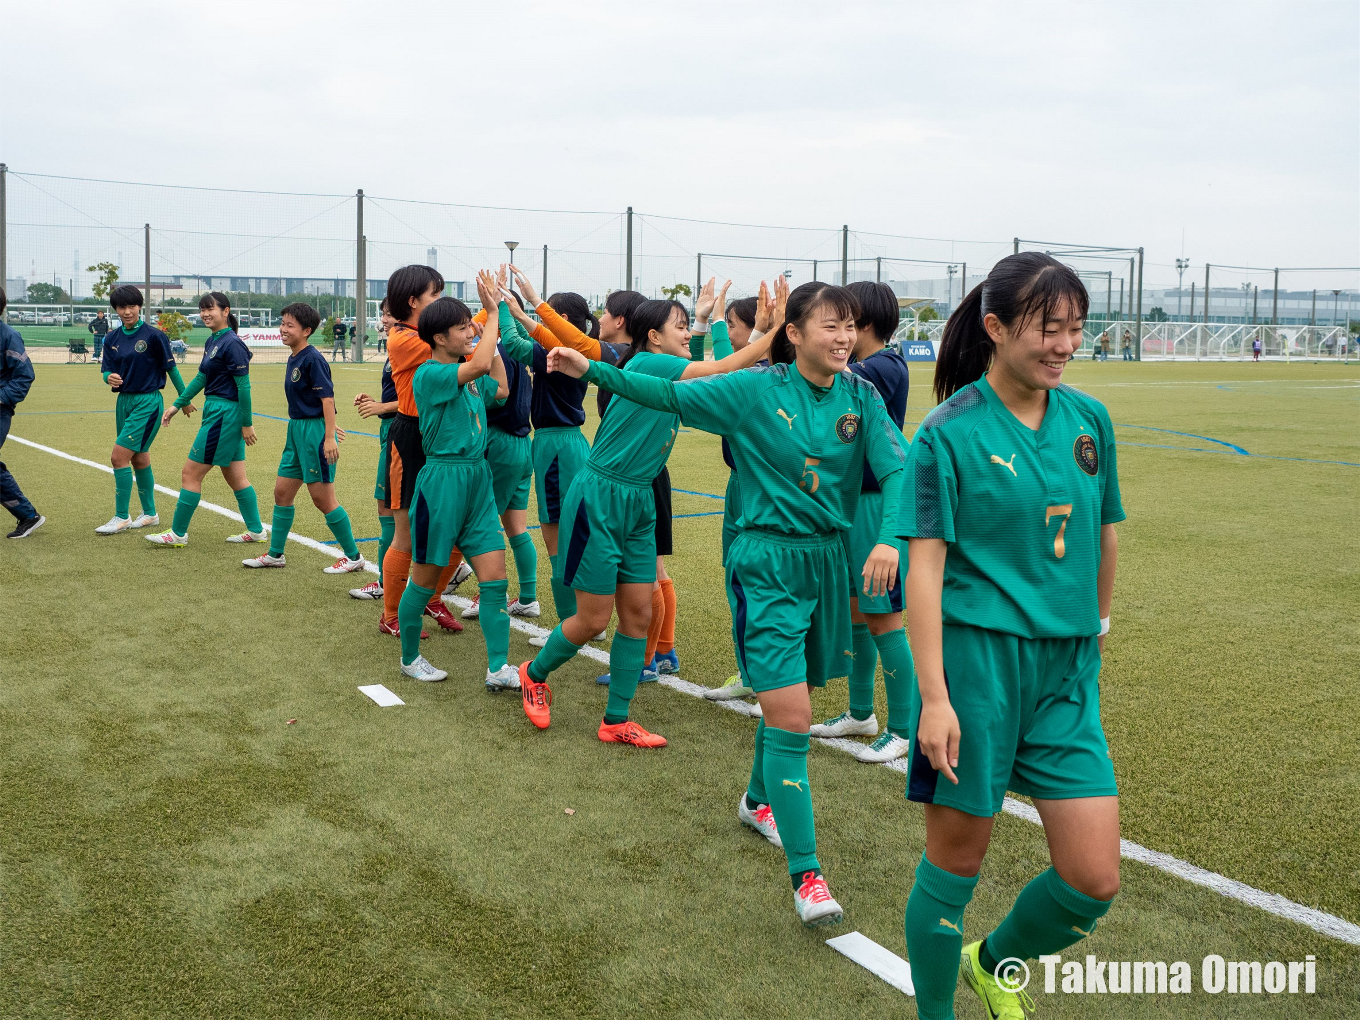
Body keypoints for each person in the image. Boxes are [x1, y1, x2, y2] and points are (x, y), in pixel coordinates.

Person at [546, 280, 904, 929]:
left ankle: (755, 799)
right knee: (791, 715)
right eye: (831, 325)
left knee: (790, 702)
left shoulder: (864, 395)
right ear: (792, 334)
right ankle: (808, 877)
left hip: (827, 561)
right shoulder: (757, 390)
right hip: (764, 563)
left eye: (850, 325)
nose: (845, 336)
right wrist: (589, 366)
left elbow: (901, 469)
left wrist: (888, 537)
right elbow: (666, 392)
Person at [897, 253, 1122, 1020]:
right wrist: (934, 697)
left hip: (1066, 671)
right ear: (994, 328)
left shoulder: (1090, 420)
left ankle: (993, 963)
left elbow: (1106, 531)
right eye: (1047, 329)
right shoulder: (947, 433)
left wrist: (1096, 625)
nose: (1064, 345)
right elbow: (922, 571)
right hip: (976, 670)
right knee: (955, 867)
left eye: (1075, 330)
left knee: (1093, 879)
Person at [515, 295, 776, 748]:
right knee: (593, 619)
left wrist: (732, 327)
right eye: (679, 326)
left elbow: (727, 374)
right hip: (601, 496)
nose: (685, 334)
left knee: (638, 614)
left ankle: (616, 720)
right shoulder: (652, 366)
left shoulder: (666, 371)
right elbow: (720, 368)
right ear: (654, 337)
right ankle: (533, 674)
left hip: (640, 499)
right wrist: (778, 330)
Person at [501, 271, 642, 645]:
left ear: (562, 322)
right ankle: (586, 621)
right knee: (576, 538)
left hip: (556, 448)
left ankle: (570, 627)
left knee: (557, 543)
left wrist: (502, 306)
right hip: (571, 445)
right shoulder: (576, 350)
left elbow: (514, 344)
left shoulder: (559, 352)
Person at [808, 280, 915, 764]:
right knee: (857, 612)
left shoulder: (883, 367)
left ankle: (903, 728)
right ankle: (859, 712)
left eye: (846, 321)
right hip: (852, 505)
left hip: (878, 506)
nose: (841, 332)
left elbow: (835, 375)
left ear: (864, 323)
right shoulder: (863, 368)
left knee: (883, 616)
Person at [394, 274, 518, 689]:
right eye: (463, 326)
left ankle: (498, 667)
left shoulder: (468, 373)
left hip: (477, 480)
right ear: (438, 337)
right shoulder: (429, 375)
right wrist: (496, 313)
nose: (470, 331)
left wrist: (491, 339)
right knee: (425, 580)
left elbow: (499, 385)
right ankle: (410, 657)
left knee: (496, 578)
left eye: (471, 324)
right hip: (441, 482)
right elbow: (480, 365)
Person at [240, 302, 366, 574]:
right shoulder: (294, 356)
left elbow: (327, 398)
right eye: (283, 323)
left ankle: (354, 557)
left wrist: (328, 434)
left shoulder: (312, 358)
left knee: (323, 499)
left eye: (290, 325)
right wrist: (325, 426)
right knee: (282, 493)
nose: (283, 329)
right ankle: (275, 554)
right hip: (297, 430)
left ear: (306, 330)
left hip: (312, 434)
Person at [379, 265, 466, 638]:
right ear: (413, 301)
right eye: (435, 295)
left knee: (459, 531)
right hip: (411, 436)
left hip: (444, 439)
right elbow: (465, 352)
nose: (442, 302)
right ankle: (391, 614)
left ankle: (430, 596)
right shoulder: (403, 338)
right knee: (407, 533)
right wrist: (486, 317)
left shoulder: (426, 333)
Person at [145, 292, 266, 548]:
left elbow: (244, 387)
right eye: (202, 309)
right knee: (236, 477)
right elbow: (202, 377)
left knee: (190, 473)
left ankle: (177, 534)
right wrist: (177, 405)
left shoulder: (232, 343)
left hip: (224, 414)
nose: (205, 313)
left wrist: (247, 423)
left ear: (226, 311)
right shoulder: (215, 339)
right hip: (217, 411)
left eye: (210, 308)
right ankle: (256, 531)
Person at [701, 287, 773, 702]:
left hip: (763, 489)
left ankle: (770, 680)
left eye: (733, 325)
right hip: (738, 485)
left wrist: (711, 322)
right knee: (738, 583)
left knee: (761, 588)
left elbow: (728, 361)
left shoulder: (771, 374)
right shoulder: (747, 372)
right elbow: (720, 364)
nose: (726, 333)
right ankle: (750, 673)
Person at [461, 277, 540, 625]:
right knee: (515, 527)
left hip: (500, 441)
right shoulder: (520, 343)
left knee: (483, 523)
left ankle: (492, 592)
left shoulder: (496, 348)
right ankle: (528, 596)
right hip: (523, 443)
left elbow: (498, 394)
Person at [94, 285, 189, 535]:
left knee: (118, 457)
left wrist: (185, 398)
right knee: (138, 456)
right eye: (121, 307)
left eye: (131, 306)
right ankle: (149, 514)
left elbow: (171, 369)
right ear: (115, 309)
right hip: (124, 401)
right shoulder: (112, 338)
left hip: (148, 402)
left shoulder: (154, 336)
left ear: (140, 307)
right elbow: (106, 368)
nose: (127, 311)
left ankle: (121, 517)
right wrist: (108, 378)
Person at [350, 299, 398, 601]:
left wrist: (383, 407)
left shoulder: (413, 345)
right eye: (383, 313)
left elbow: (421, 396)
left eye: (389, 313)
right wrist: (377, 401)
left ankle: (386, 582)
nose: (384, 319)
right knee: (391, 509)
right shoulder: (393, 348)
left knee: (392, 510)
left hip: (401, 433)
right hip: (390, 429)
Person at [0, 286, 44, 538]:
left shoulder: (8, 336)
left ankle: (27, 515)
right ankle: (27, 515)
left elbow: (24, 376)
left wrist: (2, 398)